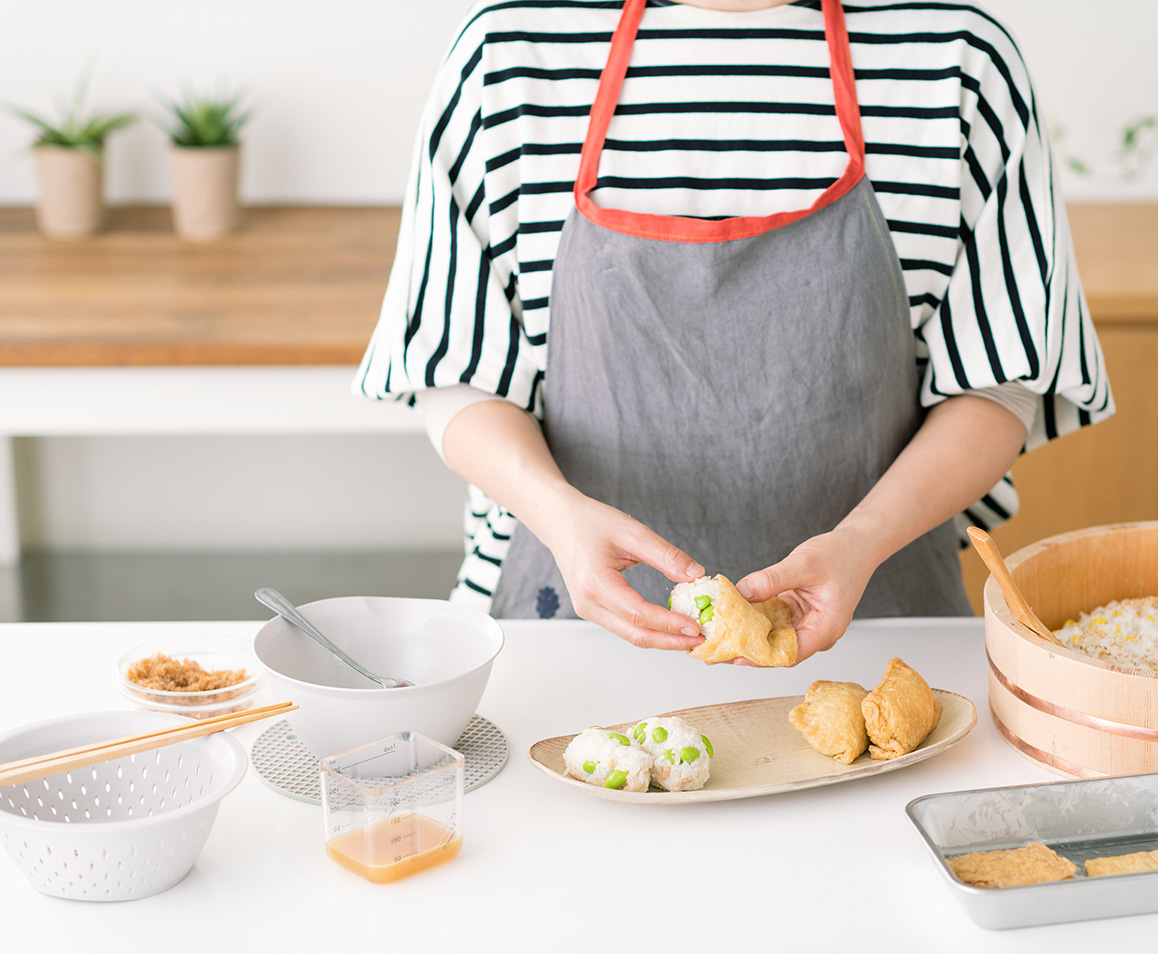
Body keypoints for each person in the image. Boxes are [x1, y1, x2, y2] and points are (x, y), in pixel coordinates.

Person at [355, 0, 1113, 664]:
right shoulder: (509, 56)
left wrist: (859, 543)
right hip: (558, 638)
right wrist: (558, 516)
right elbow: (456, 374)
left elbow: (999, 383)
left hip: (878, 636)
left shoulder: (958, 61)